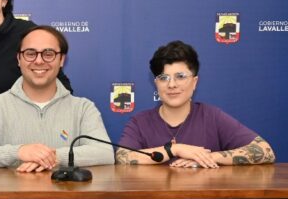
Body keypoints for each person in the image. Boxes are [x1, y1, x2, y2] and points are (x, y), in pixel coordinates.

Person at [0, 26, 113, 171]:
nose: (39, 61)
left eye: (48, 54)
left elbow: (105, 153)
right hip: (11, 197)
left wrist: (53, 157)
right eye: (30, 53)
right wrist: (18, 152)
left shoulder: (83, 108)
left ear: (61, 60)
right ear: (19, 59)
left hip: (66, 195)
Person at [116, 40, 275, 167]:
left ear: (194, 82)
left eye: (180, 76)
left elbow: (266, 151)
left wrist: (208, 157)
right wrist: (174, 149)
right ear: (156, 83)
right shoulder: (140, 122)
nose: (172, 85)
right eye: (164, 78)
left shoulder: (212, 116)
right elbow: (122, 157)